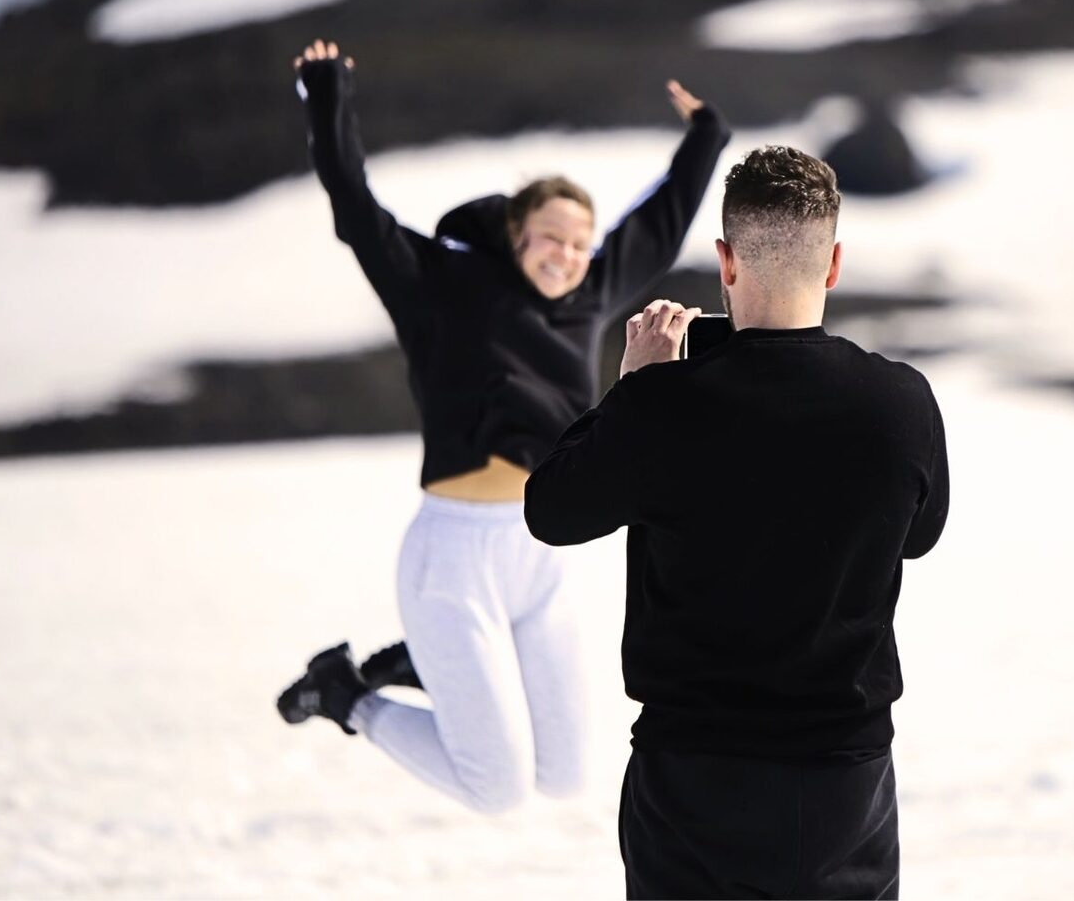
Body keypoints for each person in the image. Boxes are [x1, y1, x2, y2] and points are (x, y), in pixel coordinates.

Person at [274, 39, 731, 814]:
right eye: (553, 236)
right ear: (516, 231)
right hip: (452, 553)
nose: (569, 255)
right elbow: (356, 209)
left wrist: (707, 137)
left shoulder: (587, 294)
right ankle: (346, 694)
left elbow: (658, 223)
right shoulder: (441, 284)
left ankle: (429, 665)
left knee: (564, 776)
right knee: (497, 790)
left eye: (583, 243)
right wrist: (327, 95)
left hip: (540, 551)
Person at [524, 145, 950, 898]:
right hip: (842, 787)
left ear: (725, 261)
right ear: (834, 262)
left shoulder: (663, 407)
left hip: (692, 782)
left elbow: (551, 511)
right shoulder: (903, 403)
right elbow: (921, 534)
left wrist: (634, 390)